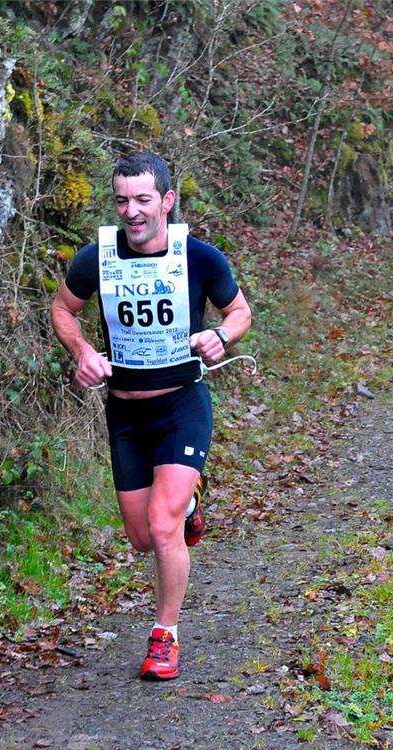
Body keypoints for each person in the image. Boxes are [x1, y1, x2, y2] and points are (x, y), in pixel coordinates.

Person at [50, 151, 252, 680]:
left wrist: (221, 335)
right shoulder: (97, 258)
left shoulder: (200, 258)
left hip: (182, 406)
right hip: (126, 413)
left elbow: (240, 311)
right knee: (143, 537)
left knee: (162, 528)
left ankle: (165, 636)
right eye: (122, 201)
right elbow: (63, 309)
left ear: (166, 201)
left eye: (143, 199)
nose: (132, 212)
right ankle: (189, 506)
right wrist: (83, 352)